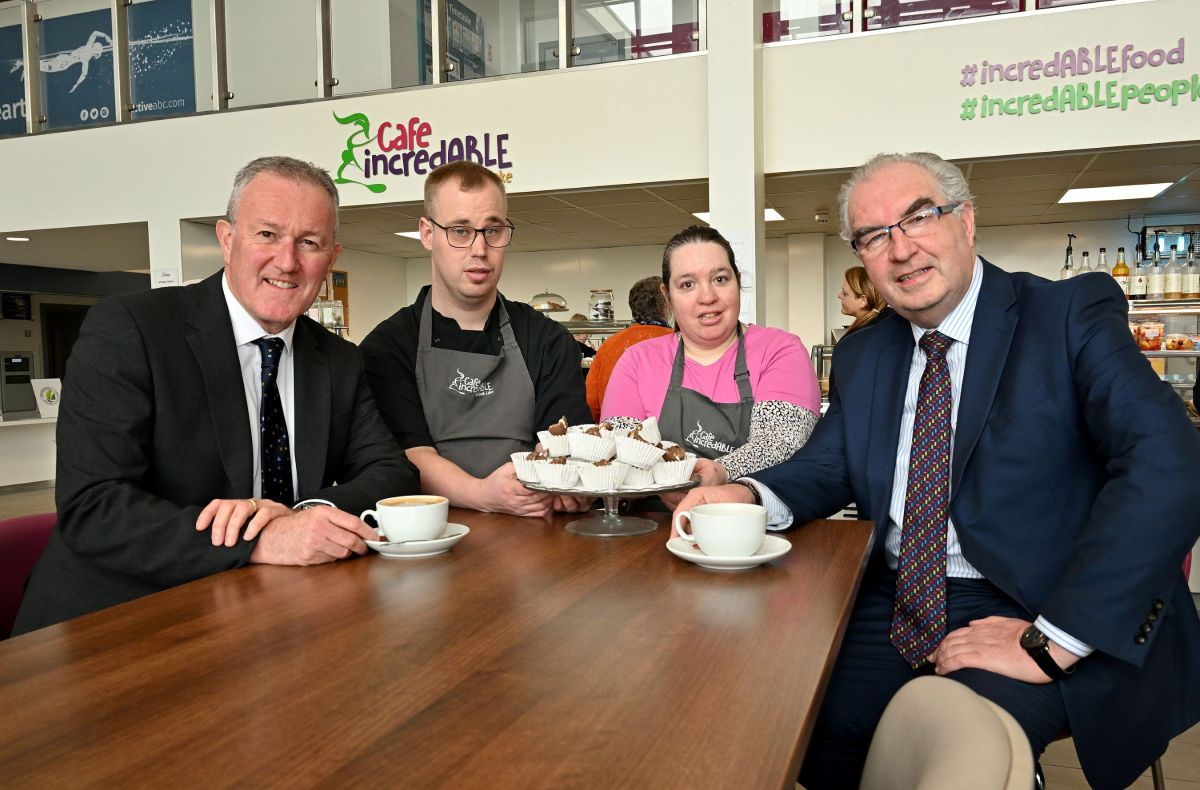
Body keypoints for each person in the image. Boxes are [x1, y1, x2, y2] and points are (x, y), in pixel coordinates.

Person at [670, 152, 1200, 789]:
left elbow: (1169, 462)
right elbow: (830, 463)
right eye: (873, 236)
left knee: (960, 746)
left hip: (1036, 599)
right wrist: (745, 493)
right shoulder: (865, 352)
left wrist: (1054, 638)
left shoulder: (1065, 315)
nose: (901, 249)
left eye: (919, 217)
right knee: (787, 712)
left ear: (966, 221)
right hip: (896, 597)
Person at [13, 156, 418, 634]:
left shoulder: (338, 359)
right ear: (227, 239)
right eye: (267, 234)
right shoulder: (131, 329)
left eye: (309, 242)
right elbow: (93, 505)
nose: (287, 261)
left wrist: (303, 514)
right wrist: (260, 538)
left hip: (262, 617)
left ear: (331, 259)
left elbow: (393, 473)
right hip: (117, 621)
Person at [360, 161, 592, 518]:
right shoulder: (387, 348)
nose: (480, 249)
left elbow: (563, 445)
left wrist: (569, 484)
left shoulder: (547, 341)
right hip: (429, 534)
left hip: (534, 532)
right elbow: (410, 454)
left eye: (493, 230)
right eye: (460, 231)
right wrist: (484, 494)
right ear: (427, 233)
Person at [600, 226, 821, 504]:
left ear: (738, 282)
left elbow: (779, 443)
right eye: (687, 285)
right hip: (655, 523)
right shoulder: (638, 361)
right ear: (667, 296)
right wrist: (665, 483)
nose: (707, 297)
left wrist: (721, 472)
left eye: (720, 279)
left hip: (756, 523)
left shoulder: (780, 350)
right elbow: (619, 448)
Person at [584, 276, 673, 421]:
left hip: (614, 429)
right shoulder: (679, 344)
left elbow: (591, 401)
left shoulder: (609, 345)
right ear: (667, 305)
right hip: (667, 432)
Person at [837, 265, 890, 337]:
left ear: (862, 301)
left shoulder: (861, 337)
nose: (839, 296)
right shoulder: (887, 323)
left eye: (845, 293)